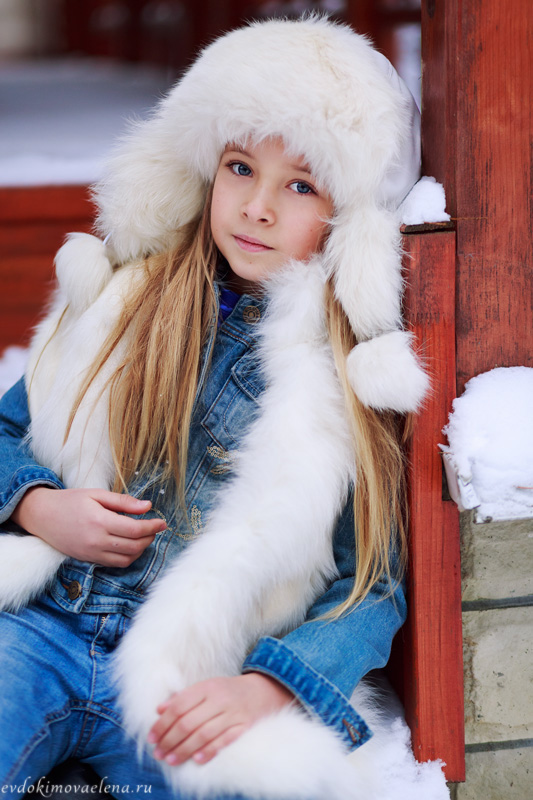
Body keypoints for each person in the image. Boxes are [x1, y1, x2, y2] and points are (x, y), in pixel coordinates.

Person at [0, 15, 428, 800]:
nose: (257, 206)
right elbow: (6, 428)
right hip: (41, 625)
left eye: (300, 185)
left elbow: (369, 585)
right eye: (239, 167)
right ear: (200, 171)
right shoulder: (126, 303)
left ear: (350, 224)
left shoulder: (338, 386)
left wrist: (269, 686)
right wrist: (37, 505)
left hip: (191, 674)